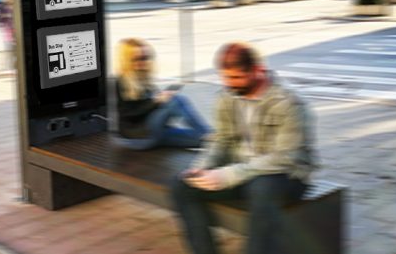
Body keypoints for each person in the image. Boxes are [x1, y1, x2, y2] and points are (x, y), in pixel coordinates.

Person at [171, 42, 318, 254]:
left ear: (258, 70)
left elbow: (285, 157)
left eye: (237, 78)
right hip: (243, 171)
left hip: (287, 175)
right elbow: (221, 139)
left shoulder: (288, 103)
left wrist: (228, 175)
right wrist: (202, 167)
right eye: (226, 78)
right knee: (182, 186)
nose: (230, 85)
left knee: (262, 189)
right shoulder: (227, 96)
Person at [115, 38, 211, 150]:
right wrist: (156, 101)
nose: (144, 62)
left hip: (155, 134)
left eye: (146, 57)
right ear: (126, 60)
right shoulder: (120, 82)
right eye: (138, 58)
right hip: (137, 137)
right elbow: (128, 114)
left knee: (202, 140)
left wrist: (159, 99)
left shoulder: (142, 78)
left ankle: (220, 140)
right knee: (176, 100)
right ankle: (212, 135)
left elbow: (150, 109)